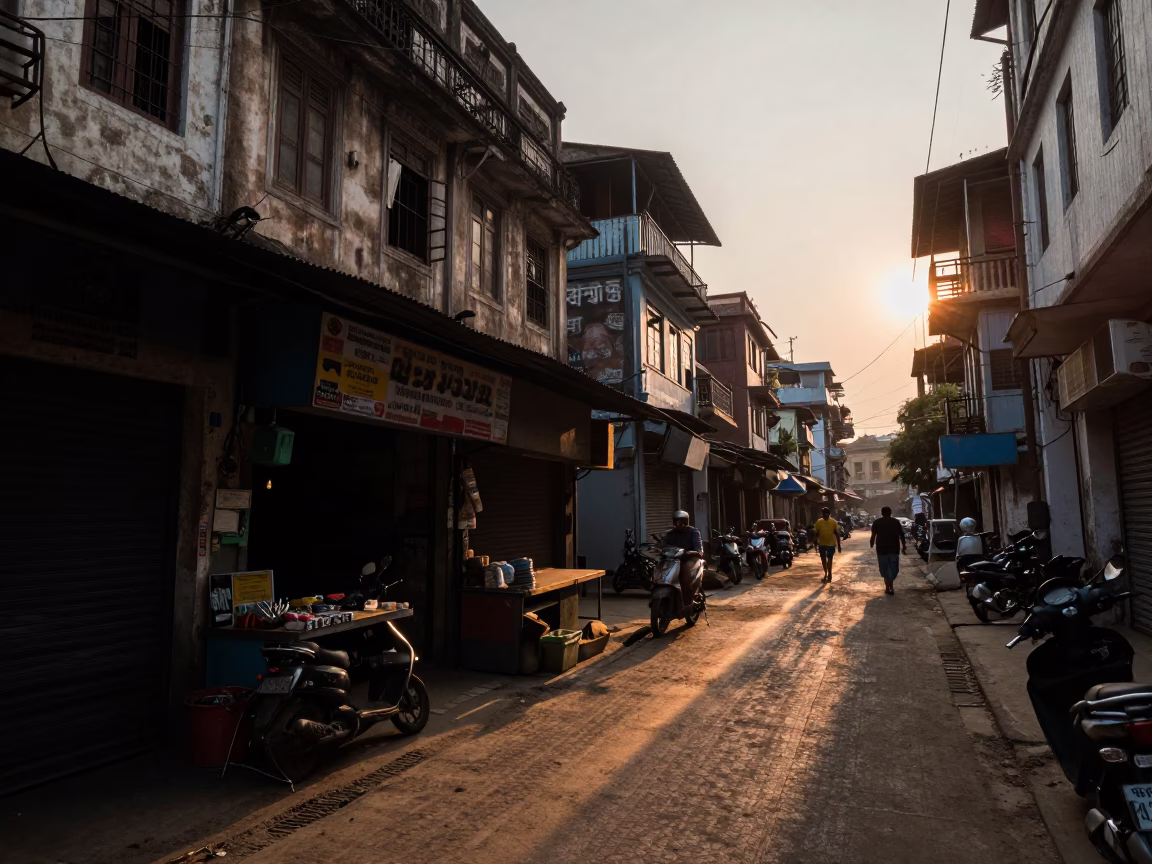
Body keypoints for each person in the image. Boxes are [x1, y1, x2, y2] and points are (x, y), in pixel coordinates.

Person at [662, 510, 703, 606]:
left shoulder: (693, 532)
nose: (678, 524)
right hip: (672, 559)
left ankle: (687, 597)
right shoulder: (670, 533)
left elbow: (698, 548)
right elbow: (662, 544)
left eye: (681, 521)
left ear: (686, 521)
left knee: (685, 571)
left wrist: (693, 552)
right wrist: (658, 549)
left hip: (688, 558)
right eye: (676, 521)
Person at [870, 506, 907, 595]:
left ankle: (888, 586)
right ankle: (890, 586)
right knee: (893, 569)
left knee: (884, 569)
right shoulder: (896, 522)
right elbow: (901, 535)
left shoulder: (877, 522)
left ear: (882, 513)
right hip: (894, 549)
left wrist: (871, 543)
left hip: (881, 550)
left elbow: (873, 535)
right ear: (890, 513)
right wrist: (904, 546)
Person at [812, 507, 842, 583]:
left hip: (830, 544)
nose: (826, 516)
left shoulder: (833, 522)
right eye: (825, 515)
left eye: (827, 515)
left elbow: (837, 534)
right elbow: (816, 533)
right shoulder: (819, 522)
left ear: (829, 514)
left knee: (828, 560)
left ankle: (829, 574)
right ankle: (826, 573)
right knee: (824, 560)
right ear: (823, 514)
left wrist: (839, 545)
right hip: (822, 544)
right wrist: (815, 541)